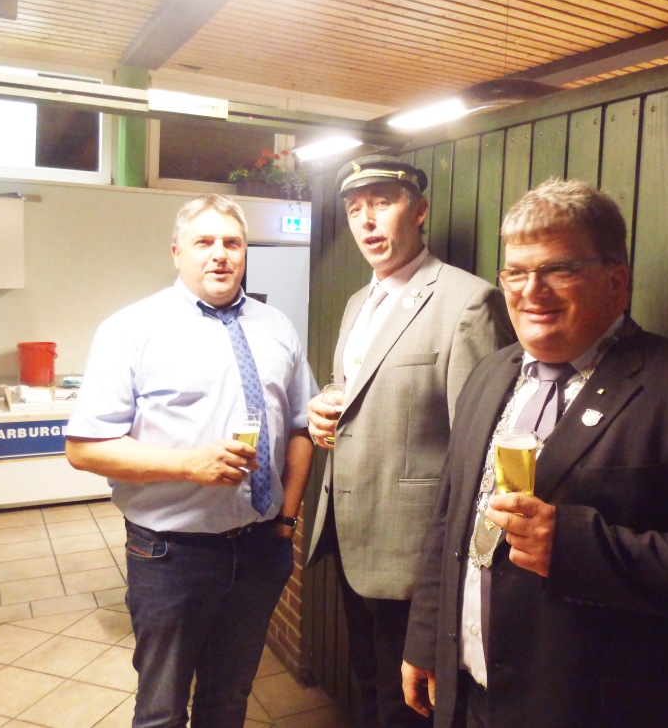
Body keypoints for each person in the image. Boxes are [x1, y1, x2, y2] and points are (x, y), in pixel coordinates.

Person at [401, 178, 668, 728]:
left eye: (558, 269)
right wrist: (426, 637)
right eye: (516, 272)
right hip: (468, 692)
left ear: (617, 282)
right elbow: (450, 517)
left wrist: (574, 548)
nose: (531, 290)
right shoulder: (489, 373)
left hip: (588, 706)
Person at [65, 193, 316, 728]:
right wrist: (188, 465)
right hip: (170, 555)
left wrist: (287, 520)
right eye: (204, 242)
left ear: (245, 252)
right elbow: (84, 448)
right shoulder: (131, 329)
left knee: (228, 699)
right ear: (177, 252)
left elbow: (300, 426)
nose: (219, 254)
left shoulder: (278, 326)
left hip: (259, 549)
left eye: (232, 242)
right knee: (161, 708)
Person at [305, 155, 515, 728]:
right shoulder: (358, 303)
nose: (367, 221)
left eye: (382, 203)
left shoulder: (468, 301)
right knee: (367, 684)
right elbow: (364, 388)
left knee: (410, 706)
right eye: (355, 209)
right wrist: (327, 404)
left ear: (419, 211)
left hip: (414, 552)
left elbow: (480, 447)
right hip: (351, 535)